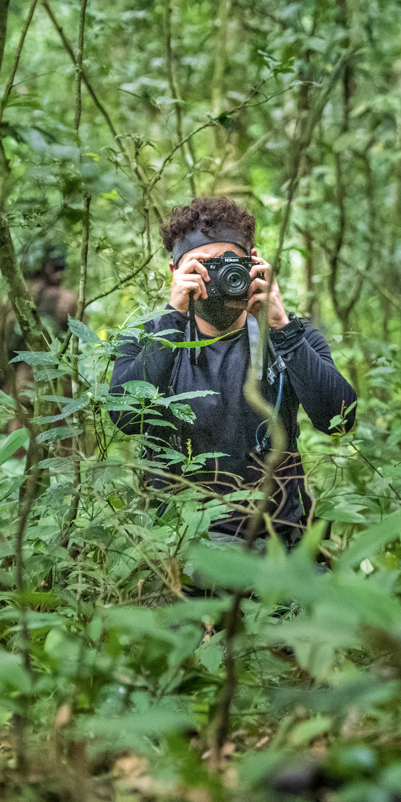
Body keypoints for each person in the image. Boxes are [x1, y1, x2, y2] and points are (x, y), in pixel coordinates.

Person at [108, 197, 357, 544]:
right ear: (175, 273)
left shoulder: (290, 336)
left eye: (229, 264)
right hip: (184, 545)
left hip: (278, 539)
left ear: (253, 263)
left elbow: (340, 419)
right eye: (202, 266)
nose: (217, 277)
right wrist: (172, 317)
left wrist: (281, 327)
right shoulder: (148, 337)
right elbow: (125, 417)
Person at [0, 244, 78, 405]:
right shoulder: (70, 300)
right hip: (59, 398)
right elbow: (83, 350)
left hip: (19, 395)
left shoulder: (11, 300)